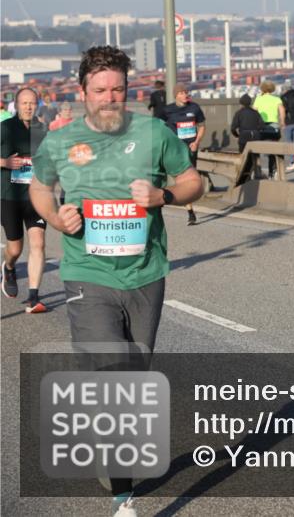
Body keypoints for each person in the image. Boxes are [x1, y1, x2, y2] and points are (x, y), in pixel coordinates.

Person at [29, 46, 202, 515]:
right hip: (87, 274)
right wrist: (56, 217)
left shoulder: (154, 133)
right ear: (83, 91)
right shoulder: (61, 141)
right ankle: (124, 499)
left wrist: (164, 195)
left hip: (146, 273)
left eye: (118, 89)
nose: (110, 98)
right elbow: (40, 186)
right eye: (101, 90)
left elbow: (194, 181)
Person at [1, 88, 49, 313]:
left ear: (37, 104)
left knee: (38, 242)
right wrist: (4, 163)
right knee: (15, 248)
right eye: (24, 103)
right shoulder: (6, 128)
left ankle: (33, 297)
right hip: (9, 196)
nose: (29, 107)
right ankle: (9, 267)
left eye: (32, 103)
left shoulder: (43, 129)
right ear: (17, 105)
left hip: (37, 196)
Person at [161, 84, 206, 225]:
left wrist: (197, 142)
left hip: (191, 147)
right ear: (176, 95)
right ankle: (190, 211)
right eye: (181, 92)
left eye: (186, 92)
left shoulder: (195, 108)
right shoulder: (167, 110)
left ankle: (189, 205)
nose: (185, 95)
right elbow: (158, 127)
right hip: (176, 149)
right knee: (182, 178)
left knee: (190, 179)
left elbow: (202, 126)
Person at [253, 80, 285, 178]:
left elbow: (254, 111)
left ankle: (258, 171)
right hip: (274, 126)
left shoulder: (258, 99)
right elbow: (282, 110)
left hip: (261, 127)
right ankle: (272, 172)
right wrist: (282, 122)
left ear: (262, 88)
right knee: (273, 150)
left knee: (257, 149)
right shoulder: (277, 99)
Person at [231, 93, 266, 179]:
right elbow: (262, 126)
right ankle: (258, 174)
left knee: (243, 156)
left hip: (244, 136)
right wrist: (256, 131)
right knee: (256, 156)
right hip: (255, 136)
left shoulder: (239, 113)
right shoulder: (256, 113)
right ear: (250, 103)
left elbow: (233, 128)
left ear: (241, 103)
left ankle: (245, 176)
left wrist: (236, 135)